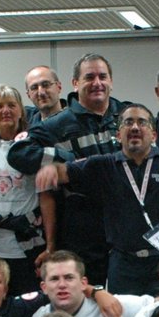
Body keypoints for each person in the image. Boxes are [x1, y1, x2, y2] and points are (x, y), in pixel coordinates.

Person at [48, 104, 159, 295]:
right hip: (124, 264)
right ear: (118, 136)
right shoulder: (104, 165)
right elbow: (65, 171)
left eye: (142, 122)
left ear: (154, 135)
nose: (135, 127)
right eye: (128, 123)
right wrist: (51, 171)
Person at [9, 53, 128, 285]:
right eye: (89, 77)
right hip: (84, 229)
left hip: (126, 222)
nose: (97, 83)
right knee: (86, 295)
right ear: (75, 83)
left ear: (111, 81)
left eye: (103, 76)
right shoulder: (57, 124)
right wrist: (67, 161)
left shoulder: (127, 115)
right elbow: (18, 153)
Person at [0, 85, 47, 294]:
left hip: (29, 243)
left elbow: (46, 195)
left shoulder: (32, 145)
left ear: (20, 110)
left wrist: (51, 245)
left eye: (11, 105)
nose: (5, 110)